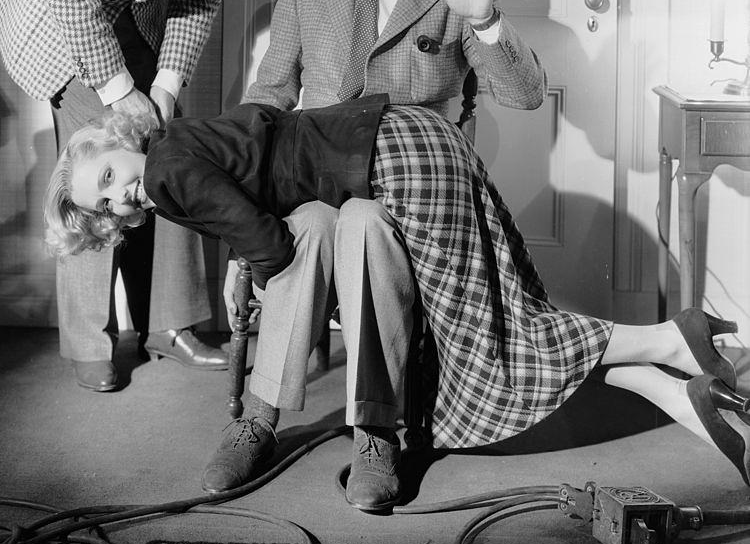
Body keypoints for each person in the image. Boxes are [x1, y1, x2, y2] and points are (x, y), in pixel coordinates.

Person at [43, 98, 750, 503]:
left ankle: (666, 339)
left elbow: (264, 238)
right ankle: (661, 379)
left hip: (392, 164)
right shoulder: (178, 146)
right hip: (395, 145)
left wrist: (257, 273)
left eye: (108, 175)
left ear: (117, 142)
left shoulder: (167, 176)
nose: (118, 196)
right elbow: (261, 143)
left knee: (486, 333)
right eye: (104, 202)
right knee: (495, 315)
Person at [218, 0, 548, 508]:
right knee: (310, 226)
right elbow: (272, 92)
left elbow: (526, 95)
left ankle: (374, 430)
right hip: (312, 172)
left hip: (406, 188)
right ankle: (259, 416)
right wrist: (240, 192)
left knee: (364, 226)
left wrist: (483, 20)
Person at [0, 0, 266, 392]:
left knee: (168, 152)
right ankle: (88, 341)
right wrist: (120, 92)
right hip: (62, 23)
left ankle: (170, 324)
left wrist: (165, 87)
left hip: (141, 25)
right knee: (102, 170)